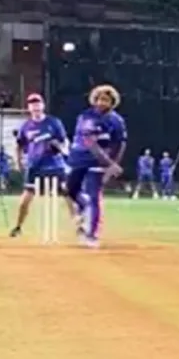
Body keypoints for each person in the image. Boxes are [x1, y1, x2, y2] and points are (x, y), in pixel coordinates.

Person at [66, 85, 127, 248]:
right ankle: (84, 207)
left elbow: (120, 144)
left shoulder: (116, 121)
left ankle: (92, 235)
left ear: (112, 102)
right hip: (79, 158)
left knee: (94, 195)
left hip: (97, 163)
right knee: (70, 189)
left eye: (106, 100)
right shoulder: (86, 117)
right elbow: (91, 143)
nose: (101, 103)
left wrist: (114, 164)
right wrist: (111, 164)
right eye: (99, 99)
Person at [9, 93, 74, 238]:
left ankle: (79, 226)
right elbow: (19, 145)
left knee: (68, 193)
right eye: (32, 104)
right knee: (26, 198)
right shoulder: (26, 126)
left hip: (55, 164)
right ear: (29, 108)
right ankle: (18, 226)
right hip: (35, 166)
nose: (35, 106)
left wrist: (61, 148)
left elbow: (64, 141)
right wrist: (18, 161)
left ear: (43, 106)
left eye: (38, 103)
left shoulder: (54, 122)